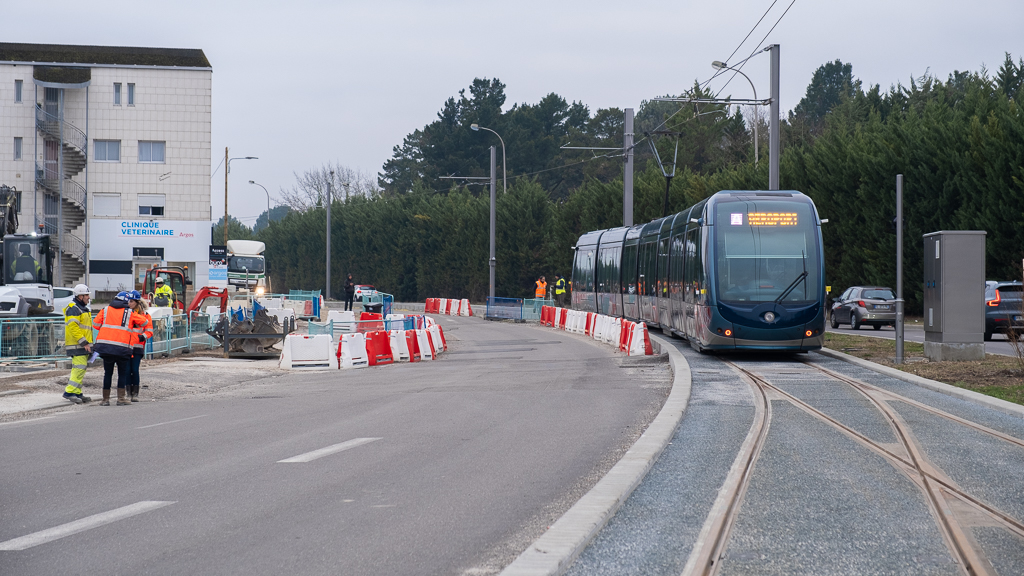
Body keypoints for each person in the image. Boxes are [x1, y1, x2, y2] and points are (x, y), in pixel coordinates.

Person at [93, 291, 148, 406]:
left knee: (107, 373)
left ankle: (105, 399)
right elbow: (144, 322)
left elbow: (96, 325)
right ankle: (121, 398)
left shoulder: (105, 309)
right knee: (122, 373)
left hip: (106, 347)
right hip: (122, 348)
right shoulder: (129, 312)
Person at [62, 284, 93, 404]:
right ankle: (69, 392)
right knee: (78, 369)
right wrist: (83, 342)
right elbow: (73, 327)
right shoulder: (74, 308)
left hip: (81, 344)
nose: (88, 298)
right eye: (86, 295)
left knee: (81, 369)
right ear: (80, 296)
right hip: (78, 345)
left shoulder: (81, 308)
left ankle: (77, 392)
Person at [126, 291, 153, 403]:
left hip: (137, 347)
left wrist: (143, 337)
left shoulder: (145, 316)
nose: (129, 303)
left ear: (137, 302)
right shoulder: (126, 314)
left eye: (131, 301)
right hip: (126, 346)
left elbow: (150, 330)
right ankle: (128, 392)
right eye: (128, 301)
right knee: (127, 370)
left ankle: (135, 393)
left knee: (134, 370)